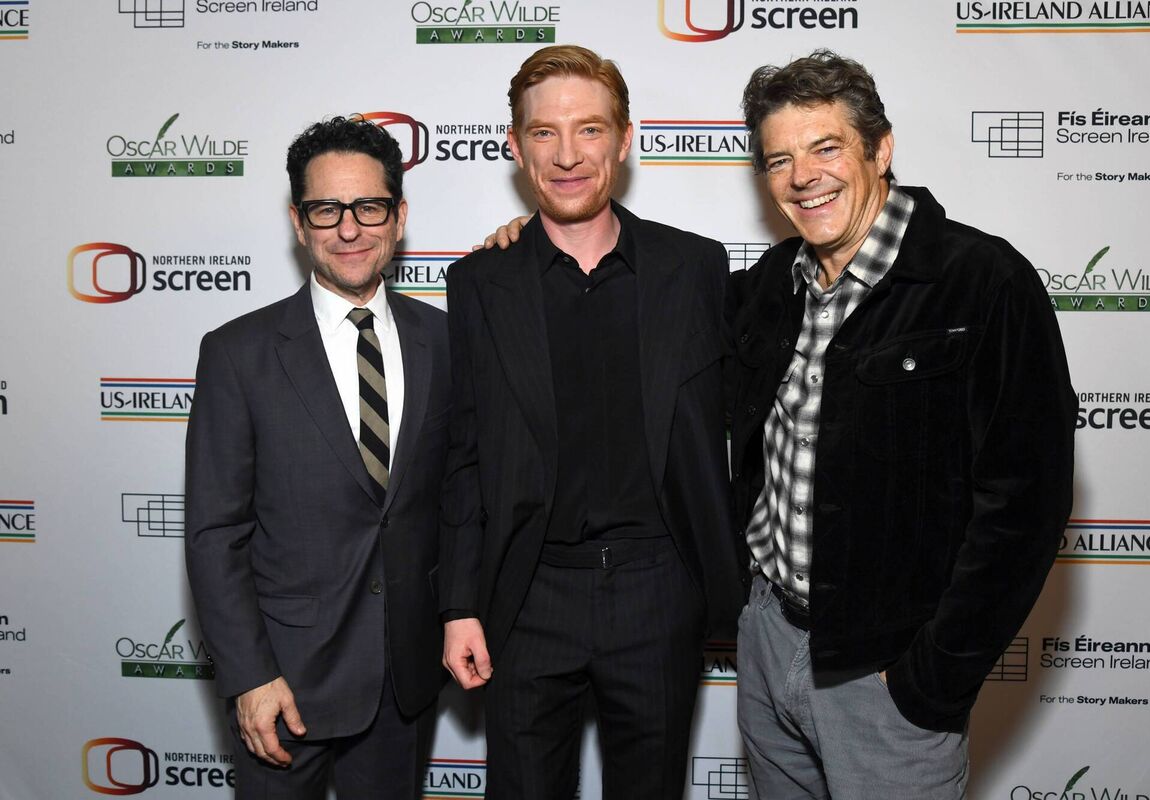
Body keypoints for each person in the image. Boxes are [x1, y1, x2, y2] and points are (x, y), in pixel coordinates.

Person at [726, 50, 1076, 798]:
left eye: (826, 148)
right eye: (780, 159)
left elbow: (1026, 505)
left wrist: (932, 677)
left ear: (880, 150)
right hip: (766, 641)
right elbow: (651, 302)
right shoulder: (766, 288)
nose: (802, 176)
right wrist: (539, 235)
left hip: (885, 674)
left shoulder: (984, 283)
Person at [438, 45, 745, 800]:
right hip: (527, 593)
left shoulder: (697, 269)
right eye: (544, 133)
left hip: (659, 591)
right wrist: (459, 606)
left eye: (590, 130)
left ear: (625, 138)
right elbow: (464, 456)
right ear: (514, 146)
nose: (568, 154)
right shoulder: (479, 281)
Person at [184, 116, 449, 799]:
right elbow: (215, 535)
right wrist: (248, 676)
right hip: (284, 687)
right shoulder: (237, 353)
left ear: (399, 216)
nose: (350, 228)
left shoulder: (445, 341)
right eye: (326, 209)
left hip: (402, 684)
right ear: (299, 222)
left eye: (370, 206)